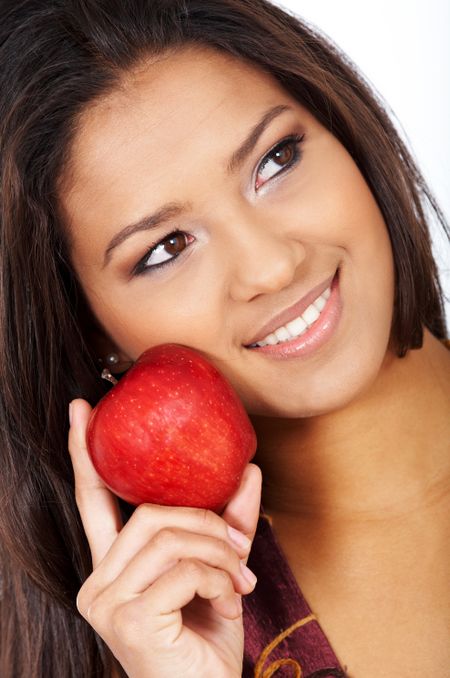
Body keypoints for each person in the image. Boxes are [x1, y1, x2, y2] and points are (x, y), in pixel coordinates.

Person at [0, 0, 449, 676]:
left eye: (275, 160)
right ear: (93, 332)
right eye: (167, 248)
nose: (272, 265)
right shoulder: (161, 635)